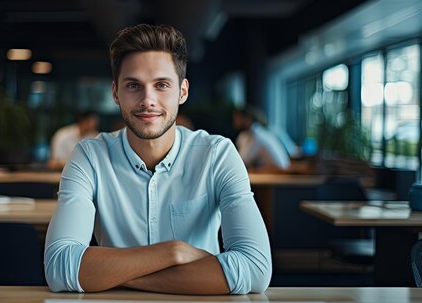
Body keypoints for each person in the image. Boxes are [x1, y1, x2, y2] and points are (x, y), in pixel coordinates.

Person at [44, 24, 271, 294]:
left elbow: (255, 269)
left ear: (183, 91)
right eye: (133, 86)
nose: (147, 100)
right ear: (116, 92)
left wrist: (108, 274)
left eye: (161, 85)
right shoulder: (89, 156)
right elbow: (59, 266)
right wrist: (173, 252)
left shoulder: (217, 154)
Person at [232, 107, 291, 172]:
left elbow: (241, 161)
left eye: (238, 118)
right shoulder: (260, 131)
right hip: (277, 174)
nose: (235, 122)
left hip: (278, 176)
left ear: (247, 119)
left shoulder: (256, 136)